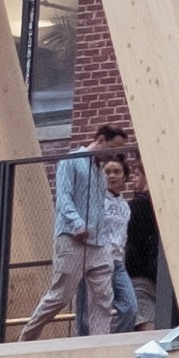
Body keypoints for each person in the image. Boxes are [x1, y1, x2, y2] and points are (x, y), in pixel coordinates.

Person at [31, 121, 119, 334]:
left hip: (96, 243)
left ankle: (99, 341)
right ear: (100, 140)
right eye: (114, 147)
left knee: (103, 297)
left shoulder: (99, 172)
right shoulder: (71, 161)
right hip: (72, 238)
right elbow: (63, 198)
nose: (115, 154)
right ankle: (28, 334)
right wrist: (78, 224)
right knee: (61, 296)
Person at [108, 138, 170, 333]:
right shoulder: (162, 206)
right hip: (159, 275)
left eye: (137, 173)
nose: (133, 177)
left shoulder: (135, 207)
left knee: (144, 320)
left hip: (138, 275)